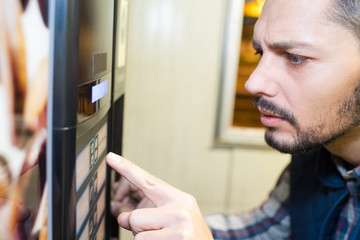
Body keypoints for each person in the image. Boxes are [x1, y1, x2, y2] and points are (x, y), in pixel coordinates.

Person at [106, 0, 360, 238]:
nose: (253, 83)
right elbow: (266, 228)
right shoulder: (315, 154)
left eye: (295, 57)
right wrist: (170, 219)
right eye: (259, 52)